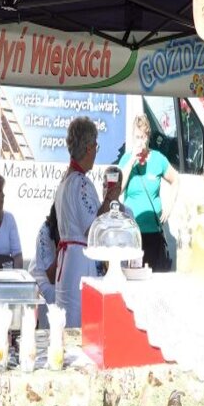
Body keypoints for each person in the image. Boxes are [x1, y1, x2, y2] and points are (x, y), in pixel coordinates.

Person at [54, 116, 120, 327]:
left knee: (67, 320)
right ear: (89, 148)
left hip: (67, 260)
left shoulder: (65, 180)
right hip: (79, 261)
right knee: (79, 322)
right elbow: (91, 228)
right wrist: (108, 200)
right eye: (96, 147)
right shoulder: (80, 183)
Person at [119, 115, 177, 272]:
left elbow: (175, 180)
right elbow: (119, 188)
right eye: (137, 137)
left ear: (148, 137)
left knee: (153, 277)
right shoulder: (126, 159)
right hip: (132, 234)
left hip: (153, 232)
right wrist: (132, 161)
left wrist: (169, 206)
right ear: (133, 137)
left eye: (143, 137)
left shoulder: (158, 159)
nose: (140, 142)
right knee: (132, 276)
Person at [28, 203, 59, 308]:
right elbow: (51, 277)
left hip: (60, 276)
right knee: (53, 293)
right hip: (42, 275)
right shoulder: (45, 231)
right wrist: (60, 251)